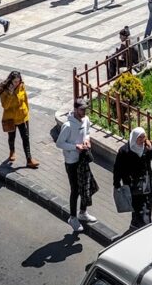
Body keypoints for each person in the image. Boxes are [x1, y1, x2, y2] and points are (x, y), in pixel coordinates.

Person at [56, 97, 96, 231]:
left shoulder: (86, 120)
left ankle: (83, 213)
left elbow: (87, 133)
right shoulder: (67, 126)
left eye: (85, 109)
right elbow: (59, 143)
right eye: (81, 109)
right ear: (75, 110)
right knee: (75, 189)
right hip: (71, 161)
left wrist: (87, 141)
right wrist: (75, 147)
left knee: (86, 185)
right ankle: (72, 217)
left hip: (82, 159)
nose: (84, 112)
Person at [113, 126, 152, 233]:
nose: (142, 140)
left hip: (145, 183)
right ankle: (144, 228)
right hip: (131, 184)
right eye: (140, 138)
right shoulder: (124, 151)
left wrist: (151, 148)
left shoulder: (146, 148)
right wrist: (116, 183)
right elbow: (118, 168)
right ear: (134, 138)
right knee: (137, 206)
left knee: (146, 205)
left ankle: (140, 225)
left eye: (144, 137)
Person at [0, 70, 39, 168]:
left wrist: (26, 112)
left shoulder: (21, 86)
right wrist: (10, 94)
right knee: (12, 137)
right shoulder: (4, 91)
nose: (17, 83)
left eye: (18, 81)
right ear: (10, 81)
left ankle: (29, 160)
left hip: (22, 117)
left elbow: (25, 100)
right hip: (11, 119)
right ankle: (12, 152)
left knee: (26, 138)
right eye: (15, 81)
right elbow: (5, 106)